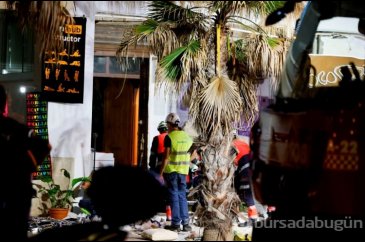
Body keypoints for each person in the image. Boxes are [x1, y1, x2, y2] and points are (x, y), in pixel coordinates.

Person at [0, 84, 51, 240]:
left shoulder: (15, 128)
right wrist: (28, 166)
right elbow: (45, 146)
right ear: (4, 103)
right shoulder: (16, 128)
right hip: (17, 194)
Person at [160, 113, 193, 232]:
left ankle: (175, 224)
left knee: (174, 196)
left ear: (170, 124)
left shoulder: (169, 137)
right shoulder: (186, 137)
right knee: (182, 196)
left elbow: (166, 158)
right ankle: (186, 224)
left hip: (172, 172)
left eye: (167, 124)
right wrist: (188, 161)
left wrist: (160, 173)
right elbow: (193, 151)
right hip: (183, 172)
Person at [230, 130, 258, 223]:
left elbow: (230, 162)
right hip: (253, 168)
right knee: (249, 192)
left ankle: (253, 219)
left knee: (246, 193)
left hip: (245, 170)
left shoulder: (231, 145)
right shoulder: (243, 143)